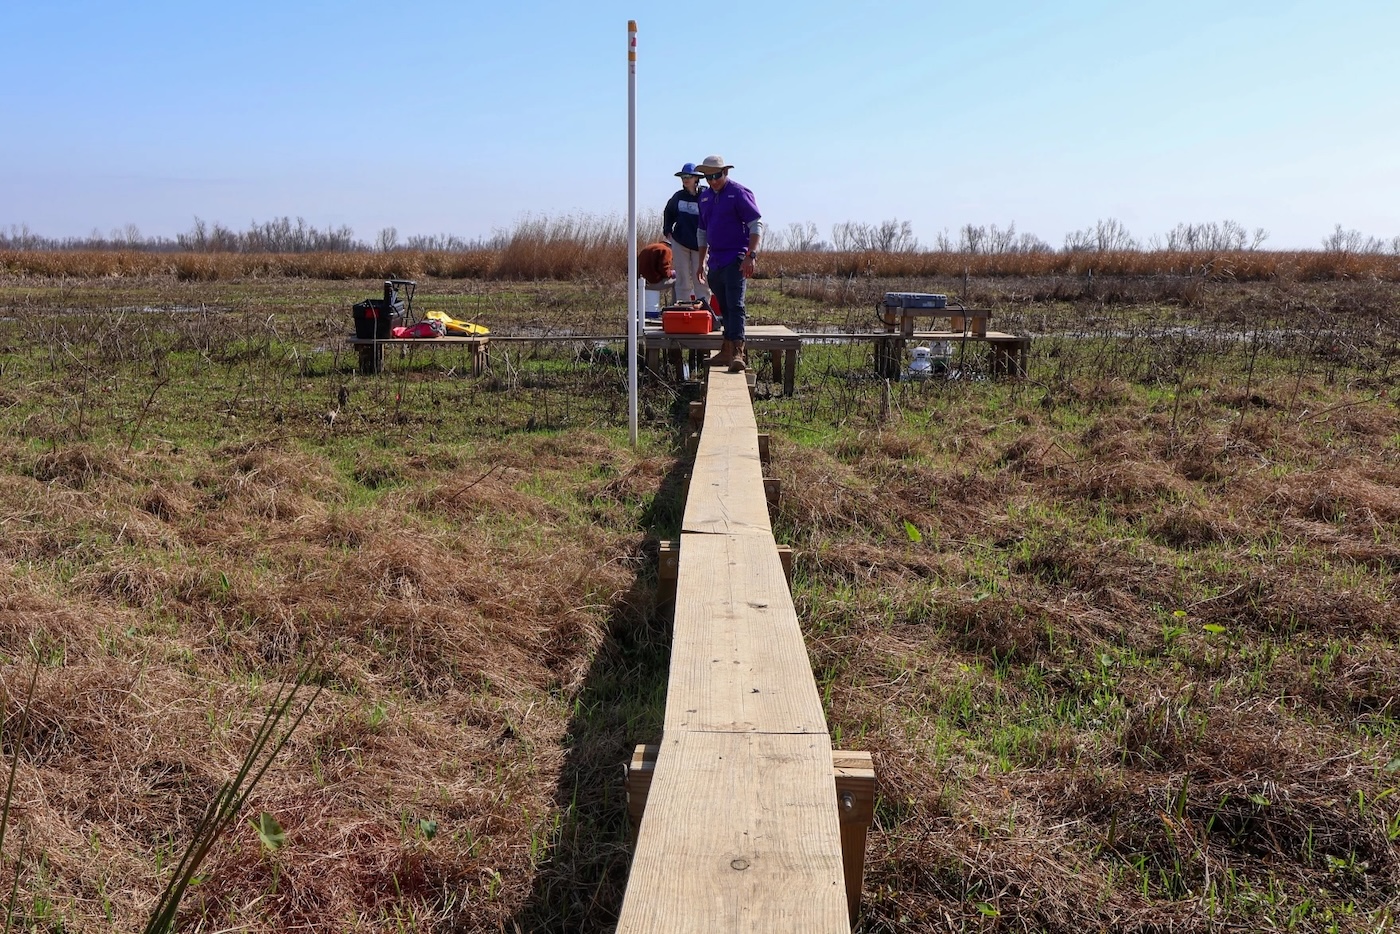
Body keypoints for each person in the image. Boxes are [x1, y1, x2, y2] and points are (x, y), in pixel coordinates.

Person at [695, 155, 763, 371]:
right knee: (723, 306)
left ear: (726, 172)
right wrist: (700, 262)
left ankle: (737, 352)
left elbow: (755, 224)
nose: (713, 181)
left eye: (717, 175)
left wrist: (751, 255)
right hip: (715, 260)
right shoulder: (704, 198)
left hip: (737, 258)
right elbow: (702, 232)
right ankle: (726, 348)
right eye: (708, 177)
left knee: (736, 304)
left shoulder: (739, 193)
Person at [663, 163, 709, 306]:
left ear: (696, 178)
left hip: (700, 245)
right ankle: (682, 309)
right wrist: (667, 229)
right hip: (680, 242)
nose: (685, 179)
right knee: (682, 279)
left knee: (701, 277)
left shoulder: (706, 196)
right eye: (683, 177)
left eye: (688, 176)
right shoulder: (678, 197)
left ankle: (704, 309)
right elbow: (668, 212)